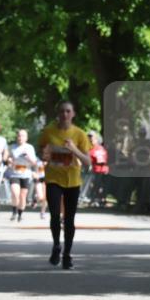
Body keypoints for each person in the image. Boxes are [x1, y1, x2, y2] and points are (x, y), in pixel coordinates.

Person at [37, 101, 91, 269]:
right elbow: (43, 153)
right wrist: (45, 155)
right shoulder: (48, 132)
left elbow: (88, 162)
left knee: (69, 220)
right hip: (53, 178)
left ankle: (67, 254)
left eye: (68, 111)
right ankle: (56, 246)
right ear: (58, 114)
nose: (65, 114)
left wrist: (74, 149)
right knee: (54, 214)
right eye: (62, 111)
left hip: (72, 181)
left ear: (73, 114)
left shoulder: (80, 134)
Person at [6, 129, 37, 222]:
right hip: (14, 174)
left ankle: (20, 214)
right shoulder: (12, 147)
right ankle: (14, 211)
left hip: (26, 174)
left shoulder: (30, 147)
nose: (20, 137)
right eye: (19, 135)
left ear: (26, 138)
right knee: (15, 193)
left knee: (23, 196)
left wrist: (28, 157)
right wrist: (9, 161)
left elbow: (34, 163)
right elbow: (7, 159)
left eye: (23, 136)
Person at [87, 132, 109, 206]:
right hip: (95, 170)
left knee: (98, 185)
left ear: (96, 139)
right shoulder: (89, 148)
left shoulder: (99, 149)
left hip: (99, 170)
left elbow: (101, 160)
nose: (90, 139)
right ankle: (95, 199)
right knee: (96, 185)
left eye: (91, 137)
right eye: (89, 137)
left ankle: (98, 199)